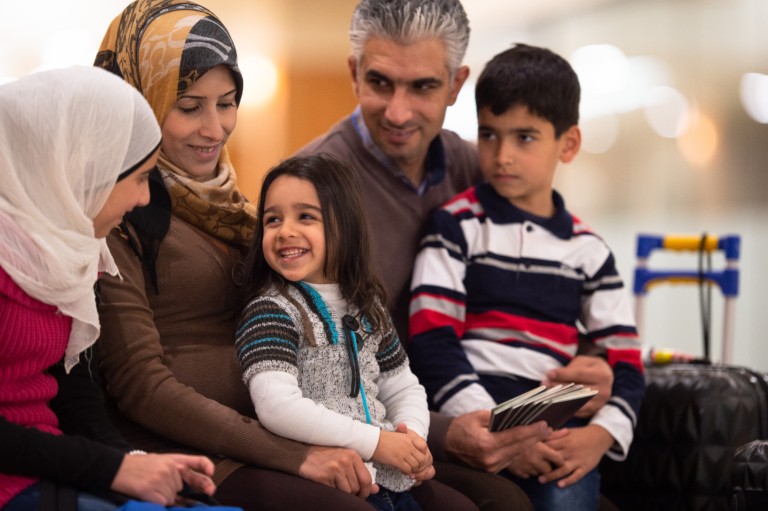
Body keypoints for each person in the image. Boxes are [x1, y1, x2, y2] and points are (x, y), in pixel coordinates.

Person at [93, 1, 476, 510]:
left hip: (289, 424)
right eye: (189, 107)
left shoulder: (242, 211)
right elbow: (140, 384)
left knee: (481, 503)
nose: (215, 128)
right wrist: (293, 453)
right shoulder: (116, 217)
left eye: (227, 103)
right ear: (139, 103)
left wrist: (397, 432)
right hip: (205, 451)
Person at [295, 1, 617, 509]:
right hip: (381, 434)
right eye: (380, 83)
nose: (398, 112)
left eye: (422, 87)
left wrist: (596, 366)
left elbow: (546, 286)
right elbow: (310, 375)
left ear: (456, 84)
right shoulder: (309, 188)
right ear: (354, 74)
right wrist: (448, 432)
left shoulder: (483, 166)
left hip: (491, 411)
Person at [408, 44, 646, 510]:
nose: (502, 155)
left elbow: (627, 364)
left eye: (525, 138)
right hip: (473, 413)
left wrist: (601, 435)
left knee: (566, 500)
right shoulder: (454, 225)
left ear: (569, 144)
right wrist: (496, 426)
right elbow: (432, 341)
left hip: (556, 427)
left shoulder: (590, 251)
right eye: (490, 135)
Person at [0, 66, 217, 511]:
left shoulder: (69, 246)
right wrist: (112, 469)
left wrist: (134, 462)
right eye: (138, 178)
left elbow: (72, 390)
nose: (143, 200)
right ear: (83, 171)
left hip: (54, 465)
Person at [236, 154, 436, 511]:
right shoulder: (271, 310)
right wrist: (377, 442)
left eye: (306, 217)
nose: (285, 231)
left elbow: (402, 385)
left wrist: (412, 439)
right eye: (272, 219)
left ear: (346, 226)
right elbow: (276, 406)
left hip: (388, 479)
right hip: (328, 483)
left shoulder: (368, 306)